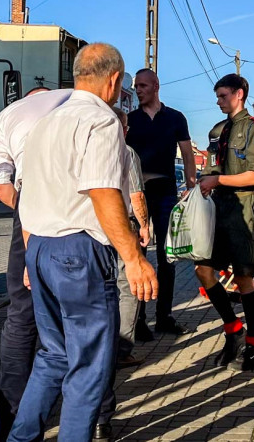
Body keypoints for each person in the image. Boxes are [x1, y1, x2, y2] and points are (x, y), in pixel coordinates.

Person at [8, 43, 158, 442]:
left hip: (39, 246)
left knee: (52, 356)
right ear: (113, 81)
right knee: (89, 365)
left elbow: (28, 196)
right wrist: (133, 257)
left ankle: (21, 438)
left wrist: (29, 257)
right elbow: (103, 191)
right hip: (79, 253)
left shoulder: (45, 124)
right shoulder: (103, 122)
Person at [0, 85, 72, 439]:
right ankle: (93, 411)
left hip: (32, 201)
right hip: (82, 205)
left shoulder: (5, 119)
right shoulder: (73, 100)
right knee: (82, 311)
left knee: (22, 313)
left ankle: (14, 410)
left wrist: (31, 211)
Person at [196, 73, 254, 372]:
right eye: (217, 97)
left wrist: (218, 179)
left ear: (239, 94)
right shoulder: (217, 131)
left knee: (243, 280)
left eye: (223, 96)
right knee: (202, 270)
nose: (218, 101)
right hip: (217, 210)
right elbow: (210, 168)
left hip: (244, 209)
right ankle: (232, 329)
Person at [95, 107, 152, 439]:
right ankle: (120, 350)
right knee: (127, 290)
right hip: (123, 230)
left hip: (88, 234)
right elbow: (136, 194)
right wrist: (144, 226)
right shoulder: (125, 151)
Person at [126, 68, 196, 336]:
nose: (138, 90)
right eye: (136, 86)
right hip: (138, 196)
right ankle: (139, 320)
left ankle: (164, 316)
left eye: (143, 85)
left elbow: (188, 154)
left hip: (167, 193)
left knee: (168, 256)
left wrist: (191, 187)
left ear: (156, 86)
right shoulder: (131, 120)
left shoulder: (175, 118)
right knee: (138, 254)